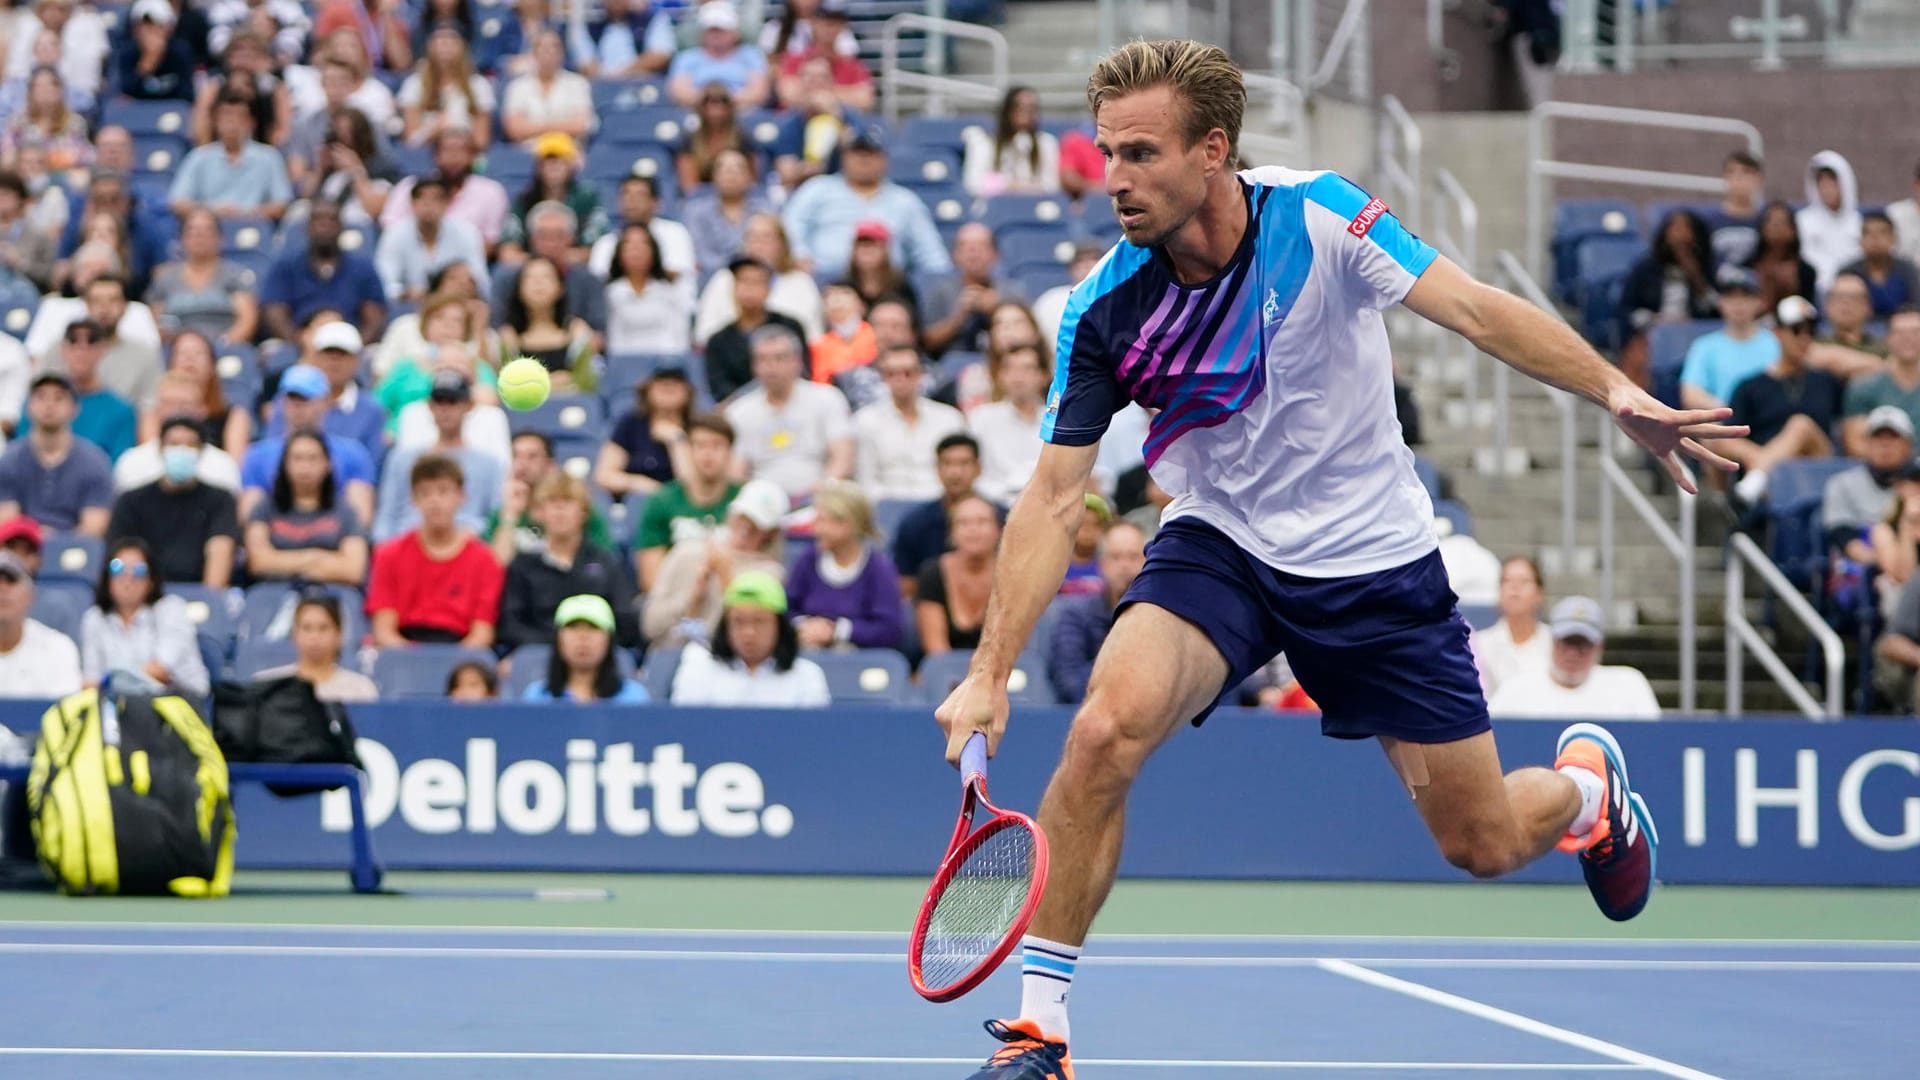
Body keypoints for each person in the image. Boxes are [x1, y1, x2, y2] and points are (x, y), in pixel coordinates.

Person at [938, 41, 1744, 1075]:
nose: (1116, 178)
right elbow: (1055, 496)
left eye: (1140, 153)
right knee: (1101, 732)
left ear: (1212, 150)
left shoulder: (1319, 217)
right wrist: (988, 672)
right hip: (1222, 542)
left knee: (1484, 842)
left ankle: (1589, 794)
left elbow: (1475, 308)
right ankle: (1040, 1031)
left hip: (1373, 563)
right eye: (1106, 152)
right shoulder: (1104, 305)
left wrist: (1616, 392)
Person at [366, 453, 503, 647]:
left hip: (460, 652)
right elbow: (384, 629)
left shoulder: (484, 560)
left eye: (443, 491)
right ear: (414, 499)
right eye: (425, 493)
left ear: (461, 497)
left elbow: (481, 633)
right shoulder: (389, 554)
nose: (434, 501)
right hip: (404, 651)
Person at [497, 473, 637, 651]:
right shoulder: (523, 566)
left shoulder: (606, 563)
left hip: (597, 656)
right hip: (538, 654)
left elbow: (626, 621)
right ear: (539, 513)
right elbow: (510, 625)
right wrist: (561, 644)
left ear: (584, 512)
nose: (559, 509)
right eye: (552, 502)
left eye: (568, 502)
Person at [1724, 297, 1843, 506]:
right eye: (1797, 330)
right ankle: (1761, 478)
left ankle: (1752, 485)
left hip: (1817, 471)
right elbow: (1726, 438)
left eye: (1811, 331)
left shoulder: (1826, 381)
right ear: (1777, 332)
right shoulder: (1750, 386)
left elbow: (1842, 432)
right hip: (1776, 480)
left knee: (1801, 426)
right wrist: (1759, 456)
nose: (1804, 338)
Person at [641, 477, 785, 649]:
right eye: (743, 515)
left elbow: (753, 640)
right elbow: (650, 626)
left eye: (757, 522)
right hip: (671, 656)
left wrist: (726, 579)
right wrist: (692, 598)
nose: (746, 525)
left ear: (771, 533)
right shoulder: (685, 553)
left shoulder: (770, 575)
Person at [105, 418, 240, 587]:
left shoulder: (220, 500)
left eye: (190, 445)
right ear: (161, 448)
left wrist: (208, 599)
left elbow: (221, 549)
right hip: (145, 594)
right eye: (174, 444)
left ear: (201, 451)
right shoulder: (131, 500)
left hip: (197, 591)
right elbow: (121, 554)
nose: (181, 451)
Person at [372, 370, 503, 542]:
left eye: (453, 401)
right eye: (439, 401)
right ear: (430, 406)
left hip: (467, 551)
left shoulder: (489, 464)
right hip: (407, 549)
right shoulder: (402, 458)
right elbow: (386, 518)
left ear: (468, 406)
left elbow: (494, 519)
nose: (445, 409)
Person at [725, 324, 853, 501]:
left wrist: (826, 485)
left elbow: (842, 459)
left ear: (797, 361)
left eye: (780, 358)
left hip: (820, 497)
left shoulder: (828, 398)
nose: (771, 366)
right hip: (762, 502)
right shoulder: (739, 411)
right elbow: (736, 474)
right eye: (762, 359)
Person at [238, 364, 378, 526]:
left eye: (306, 398)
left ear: (325, 401)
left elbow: (360, 519)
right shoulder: (257, 455)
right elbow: (249, 519)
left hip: (333, 543)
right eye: (292, 398)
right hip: (275, 544)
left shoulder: (353, 453)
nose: (298, 405)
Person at [669, 571, 829, 706]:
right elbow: (685, 728)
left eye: (759, 621)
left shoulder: (807, 675)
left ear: (779, 626)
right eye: (738, 621)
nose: (748, 632)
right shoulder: (699, 671)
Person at [1487, 597, 1661, 720]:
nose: (1572, 653)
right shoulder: (1517, 688)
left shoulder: (1629, 686)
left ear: (1598, 647)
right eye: (1565, 642)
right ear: (1552, 642)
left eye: (1581, 644)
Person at [78, 537, 210, 697]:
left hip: (179, 705)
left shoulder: (171, 608)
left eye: (138, 570)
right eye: (117, 568)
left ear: (151, 580)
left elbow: (160, 670)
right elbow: (90, 681)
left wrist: (110, 682)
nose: (127, 579)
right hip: (118, 706)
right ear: (107, 578)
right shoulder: (94, 618)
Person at [785, 481, 902, 650]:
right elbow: (787, 610)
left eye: (822, 520)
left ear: (847, 525)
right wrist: (806, 626)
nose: (814, 529)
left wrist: (836, 630)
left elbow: (890, 630)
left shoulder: (878, 569)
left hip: (859, 663)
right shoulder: (808, 560)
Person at [244, 430, 371, 586]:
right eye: (298, 458)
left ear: (328, 464)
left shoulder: (345, 510)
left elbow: (354, 569)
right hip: (273, 592)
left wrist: (281, 562)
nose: (305, 467)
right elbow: (258, 562)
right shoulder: (264, 507)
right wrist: (316, 557)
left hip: (332, 592)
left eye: (313, 458)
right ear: (285, 464)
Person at [631, 412, 739, 592]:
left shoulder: (745, 499)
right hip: (677, 598)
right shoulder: (661, 501)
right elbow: (651, 580)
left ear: (730, 452)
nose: (708, 454)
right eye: (700, 445)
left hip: (731, 597)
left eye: (717, 445)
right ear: (688, 450)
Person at [0, 373, 114, 535]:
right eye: (41, 397)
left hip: (76, 551)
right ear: (28, 406)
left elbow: (93, 529)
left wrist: (56, 541)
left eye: (59, 398)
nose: (49, 405)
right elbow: (7, 524)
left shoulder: (95, 461)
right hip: (22, 547)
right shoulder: (9, 460)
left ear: (75, 408)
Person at [1046, 520, 1146, 703]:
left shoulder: (1162, 619)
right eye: (1116, 557)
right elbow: (1068, 685)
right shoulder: (1075, 615)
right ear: (1102, 564)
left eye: (1133, 557)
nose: (1124, 566)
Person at [854, 344, 966, 503]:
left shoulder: (949, 418)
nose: (900, 379)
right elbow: (867, 480)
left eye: (907, 373)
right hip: (887, 504)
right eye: (892, 373)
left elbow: (960, 473)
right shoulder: (865, 420)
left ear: (920, 375)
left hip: (940, 504)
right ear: (883, 377)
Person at [487, 430, 616, 563]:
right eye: (516, 456)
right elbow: (496, 569)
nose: (522, 464)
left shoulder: (578, 509)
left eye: (532, 457)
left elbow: (605, 563)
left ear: (550, 465)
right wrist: (511, 516)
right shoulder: (502, 514)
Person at [169, 90, 293, 221]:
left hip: (253, 226)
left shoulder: (269, 157)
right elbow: (177, 202)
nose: (232, 123)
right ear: (216, 122)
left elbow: (282, 203)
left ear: (251, 123)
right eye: (227, 116)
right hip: (210, 227)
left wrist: (246, 214)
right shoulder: (199, 157)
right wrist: (211, 211)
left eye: (239, 117)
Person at [701, 254, 811, 402]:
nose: (749, 289)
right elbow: (721, 389)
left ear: (769, 288)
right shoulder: (718, 340)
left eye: (757, 282)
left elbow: (803, 373)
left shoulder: (790, 326)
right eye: (743, 281)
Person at [146, 209, 261, 344]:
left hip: (224, 347)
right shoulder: (165, 277)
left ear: (220, 238)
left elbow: (247, 320)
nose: (200, 236)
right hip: (176, 351)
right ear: (182, 239)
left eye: (207, 231)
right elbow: (155, 322)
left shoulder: (236, 275)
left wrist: (221, 347)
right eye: (192, 231)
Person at [892, 432, 985, 596]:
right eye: (947, 463)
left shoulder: (1000, 518)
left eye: (964, 463)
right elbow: (904, 584)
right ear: (936, 468)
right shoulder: (914, 523)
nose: (955, 472)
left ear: (979, 468)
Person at [374, 174, 490, 303]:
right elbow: (384, 281)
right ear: (412, 204)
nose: (428, 204)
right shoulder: (394, 234)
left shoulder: (466, 233)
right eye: (421, 198)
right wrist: (405, 293)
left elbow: (480, 280)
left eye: (436, 199)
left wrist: (453, 289)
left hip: (454, 303)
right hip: (408, 305)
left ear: (447, 203)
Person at [521, 594, 649, 702]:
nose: (583, 637)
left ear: (609, 639)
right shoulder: (537, 697)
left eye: (593, 627)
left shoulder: (634, 698)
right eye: (573, 627)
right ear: (558, 638)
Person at [916, 493, 999, 657]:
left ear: (998, 530)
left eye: (982, 521)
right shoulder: (932, 574)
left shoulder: (1013, 577)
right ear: (952, 533)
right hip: (946, 673)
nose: (973, 529)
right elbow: (936, 651)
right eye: (963, 523)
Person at [255, 592, 380, 702]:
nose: (314, 636)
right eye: (306, 628)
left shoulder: (360, 689)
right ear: (294, 634)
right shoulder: (268, 685)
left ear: (339, 633)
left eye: (323, 628)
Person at [968, 344, 1049, 504]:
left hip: (1046, 503)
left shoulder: (1057, 420)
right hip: (995, 502)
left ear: (1043, 376)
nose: (1018, 377)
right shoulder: (981, 418)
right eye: (1010, 369)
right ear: (1000, 376)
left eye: (1027, 369)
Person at [595, 368, 693, 499]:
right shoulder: (630, 423)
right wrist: (640, 484)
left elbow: (691, 485)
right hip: (637, 501)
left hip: (682, 506)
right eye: (661, 381)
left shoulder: (699, 426)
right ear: (648, 388)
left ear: (688, 390)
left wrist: (677, 441)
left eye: (676, 382)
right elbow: (604, 475)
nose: (668, 386)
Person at [0, 549, 81, 698]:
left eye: (11, 581)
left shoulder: (58, 648)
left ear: (30, 595)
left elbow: (67, 715)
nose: (2, 589)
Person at [1469, 555, 1551, 699]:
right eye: (1507, 581)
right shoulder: (1479, 644)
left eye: (1524, 581)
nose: (1515, 588)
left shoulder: (1554, 643)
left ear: (1539, 593)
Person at [605, 222, 693, 355]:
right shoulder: (610, 293)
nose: (636, 250)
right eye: (629, 245)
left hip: (665, 363)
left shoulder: (669, 291)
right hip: (623, 363)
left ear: (654, 251)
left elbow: (679, 334)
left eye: (643, 244)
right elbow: (612, 337)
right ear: (619, 253)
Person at [1842, 307, 1920, 456]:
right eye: (1900, 333)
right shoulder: (1863, 387)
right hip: (1882, 474)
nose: (1908, 339)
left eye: (1915, 332)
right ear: (1888, 338)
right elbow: (1855, 443)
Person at [963, 84, 1060, 197]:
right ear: (1007, 110)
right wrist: (1008, 185)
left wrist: (1028, 187)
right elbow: (973, 183)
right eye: (1019, 107)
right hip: (996, 208)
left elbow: (1052, 185)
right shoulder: (985, 142)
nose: (1026, 113)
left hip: (1034, 206)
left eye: (1031, 108)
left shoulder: (1046, 143)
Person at [1796, 151, 1861, 299]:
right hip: (1817, 290)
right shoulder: (1803, 221)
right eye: (1821, 183)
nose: (1827, 189)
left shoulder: (1858, 222)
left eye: (1832, 182)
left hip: (1852, 288)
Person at [1839, 212, 1919, 319]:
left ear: (1894, 239)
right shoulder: (1848, 272)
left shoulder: (1907, 270)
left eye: (1882, 233)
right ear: (1860, 241)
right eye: (1868, 233)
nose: (1875, 238)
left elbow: (1915, 307)